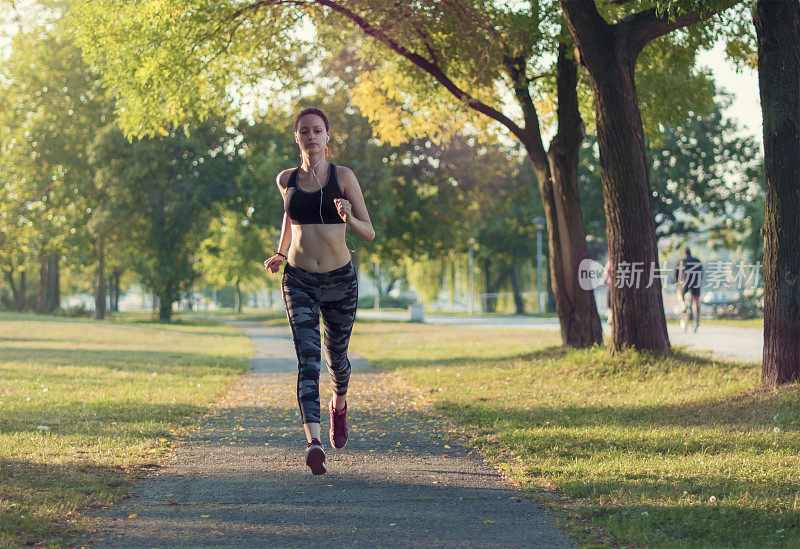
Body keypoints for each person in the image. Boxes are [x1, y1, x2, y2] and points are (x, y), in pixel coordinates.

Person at [264, 107, 375, 475]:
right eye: (305, 131)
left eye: (318, 130)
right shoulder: (286, 178)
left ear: (328, 138)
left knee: (336, 360)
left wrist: (349, 216)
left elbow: (369, 232)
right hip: (298, 281)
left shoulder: (343, 177)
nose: (311, 136)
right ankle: (313, 442)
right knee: (307, 361)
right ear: (297, 138)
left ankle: (338, 405)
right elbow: (289, 214)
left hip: (339, 281)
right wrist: (281, 251)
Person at [673, 247, 703, 332]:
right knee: (696, 300)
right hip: (695, 285)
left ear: (684, 253)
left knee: (679, 293)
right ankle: (696, 322)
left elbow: (675, 274)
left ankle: (683, 305)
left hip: (684, 285)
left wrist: (676, 283)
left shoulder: (680, 261)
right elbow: (701, 274)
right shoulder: (697, 261)